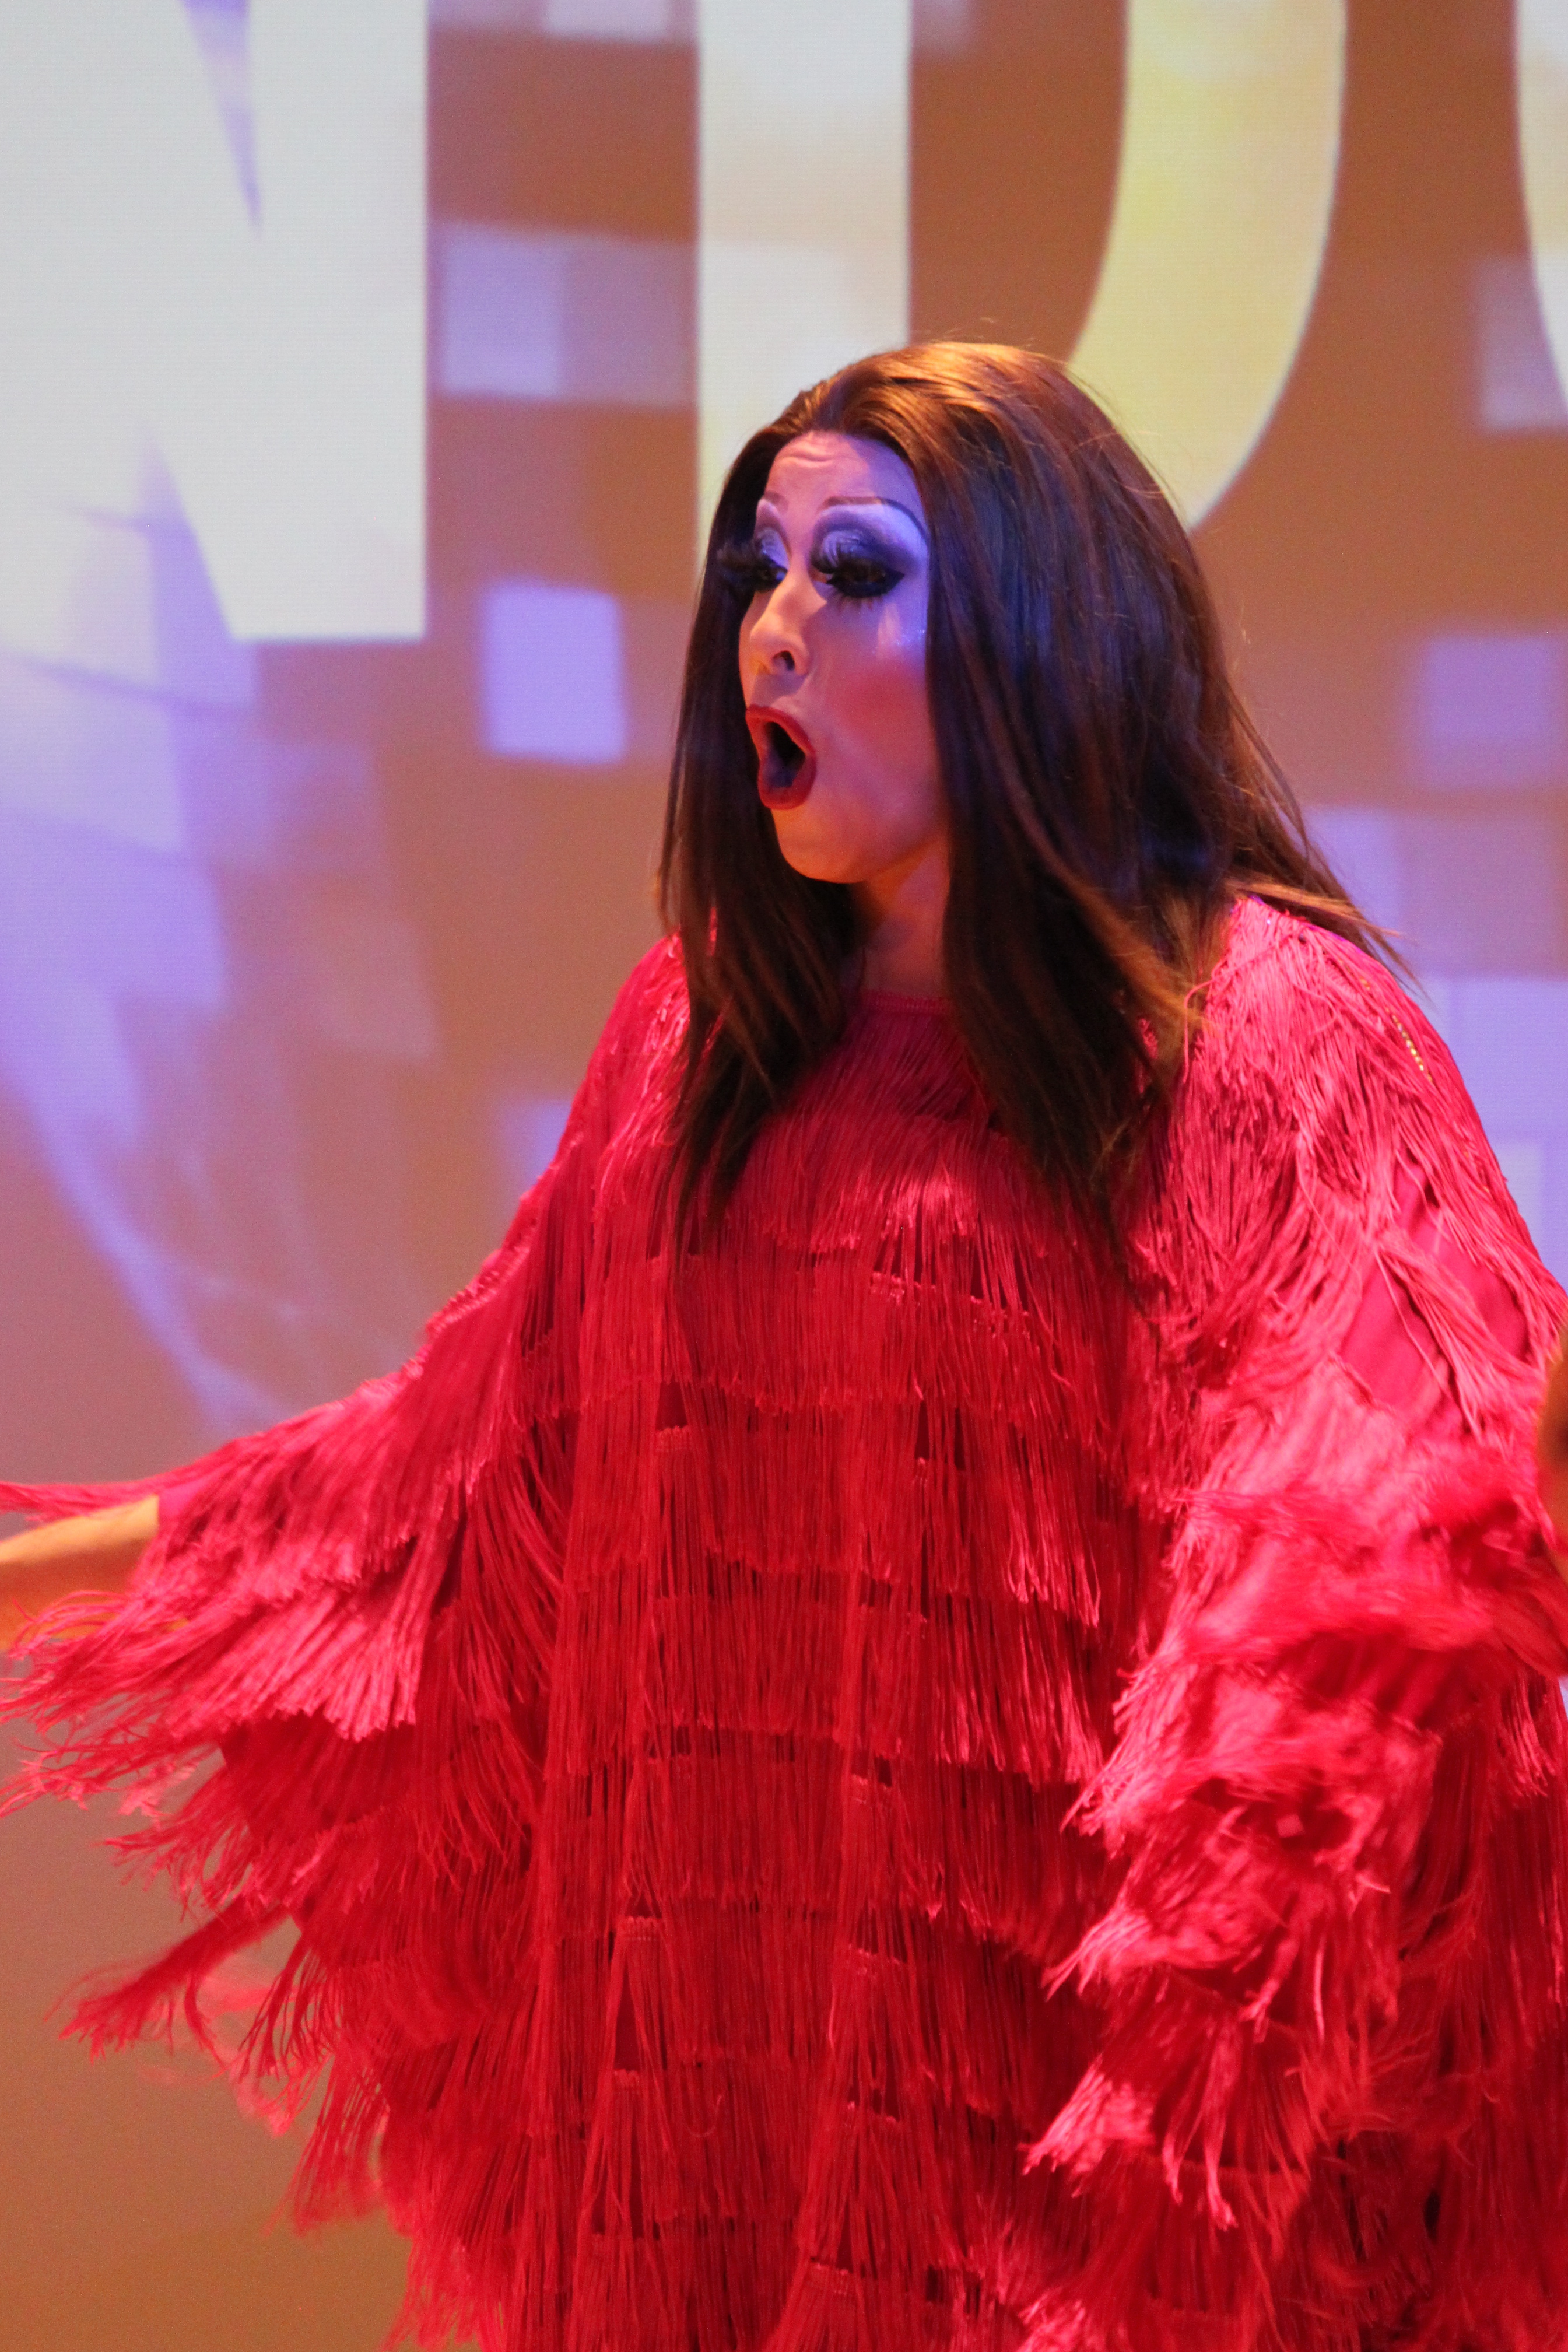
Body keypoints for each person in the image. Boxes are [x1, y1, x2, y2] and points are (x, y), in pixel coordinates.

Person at [4, 342, 1568, 2352]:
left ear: (1041, 622)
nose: (773, 623)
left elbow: (1420, 1524)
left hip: (1067, 2178)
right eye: (761, 567)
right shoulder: (695, 1036)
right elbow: (438, 1484)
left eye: (856, 569)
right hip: (711, 2123)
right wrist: (36, 1571)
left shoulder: (1270, 1040)